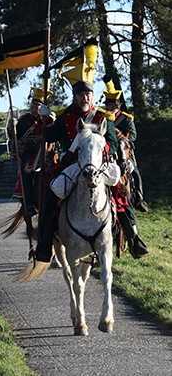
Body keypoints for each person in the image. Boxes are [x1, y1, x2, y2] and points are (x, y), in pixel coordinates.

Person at [33, 71, 119, 262]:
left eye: (87, 94)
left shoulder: (103, 117)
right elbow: (50, 136)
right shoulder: (66, 117)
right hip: (72, 165)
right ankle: (45, 242)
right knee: (52, 192)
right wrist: (44, 119)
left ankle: (130, 234)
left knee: (121, 193)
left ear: (93, 96)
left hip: (98, 164)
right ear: (75, 97)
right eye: (80, 95)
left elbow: (112, 143)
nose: (84, 98)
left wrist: (97, 146)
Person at [102, 80, 149, 258]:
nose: (110, 106)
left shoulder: (127, 119)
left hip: (124, 152)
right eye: (108, 103)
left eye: (113, 104)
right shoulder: (103, 118)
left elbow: (133, 136)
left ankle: (138, 198)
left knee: (134, 172)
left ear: (119, 105)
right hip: (108, 155)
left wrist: (123, 137)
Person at [15, 87, 52, 218]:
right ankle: (30, 204)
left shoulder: (48, 120)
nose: (34, 109)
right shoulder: (24, 121)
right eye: (33, 106)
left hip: (48, 152)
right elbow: (17, 136)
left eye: (37, 107)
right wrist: (11, 129)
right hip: (31, 152)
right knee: (27, 171)